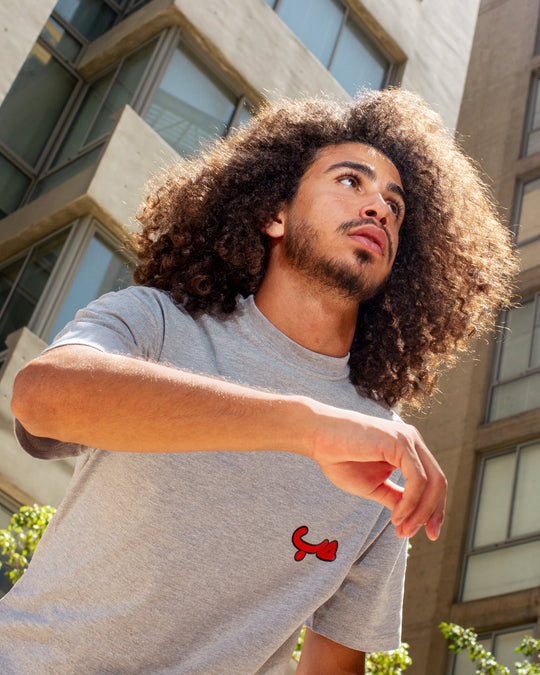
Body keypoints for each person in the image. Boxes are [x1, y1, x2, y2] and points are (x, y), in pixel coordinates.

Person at [2, 89, 515, 674]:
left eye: (394, 208)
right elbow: (41, 399)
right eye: (352, 181)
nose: (378, 208)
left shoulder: (384, 451)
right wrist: (305, 427)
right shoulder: (159, 322)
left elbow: (332, 667)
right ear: (274, 214)